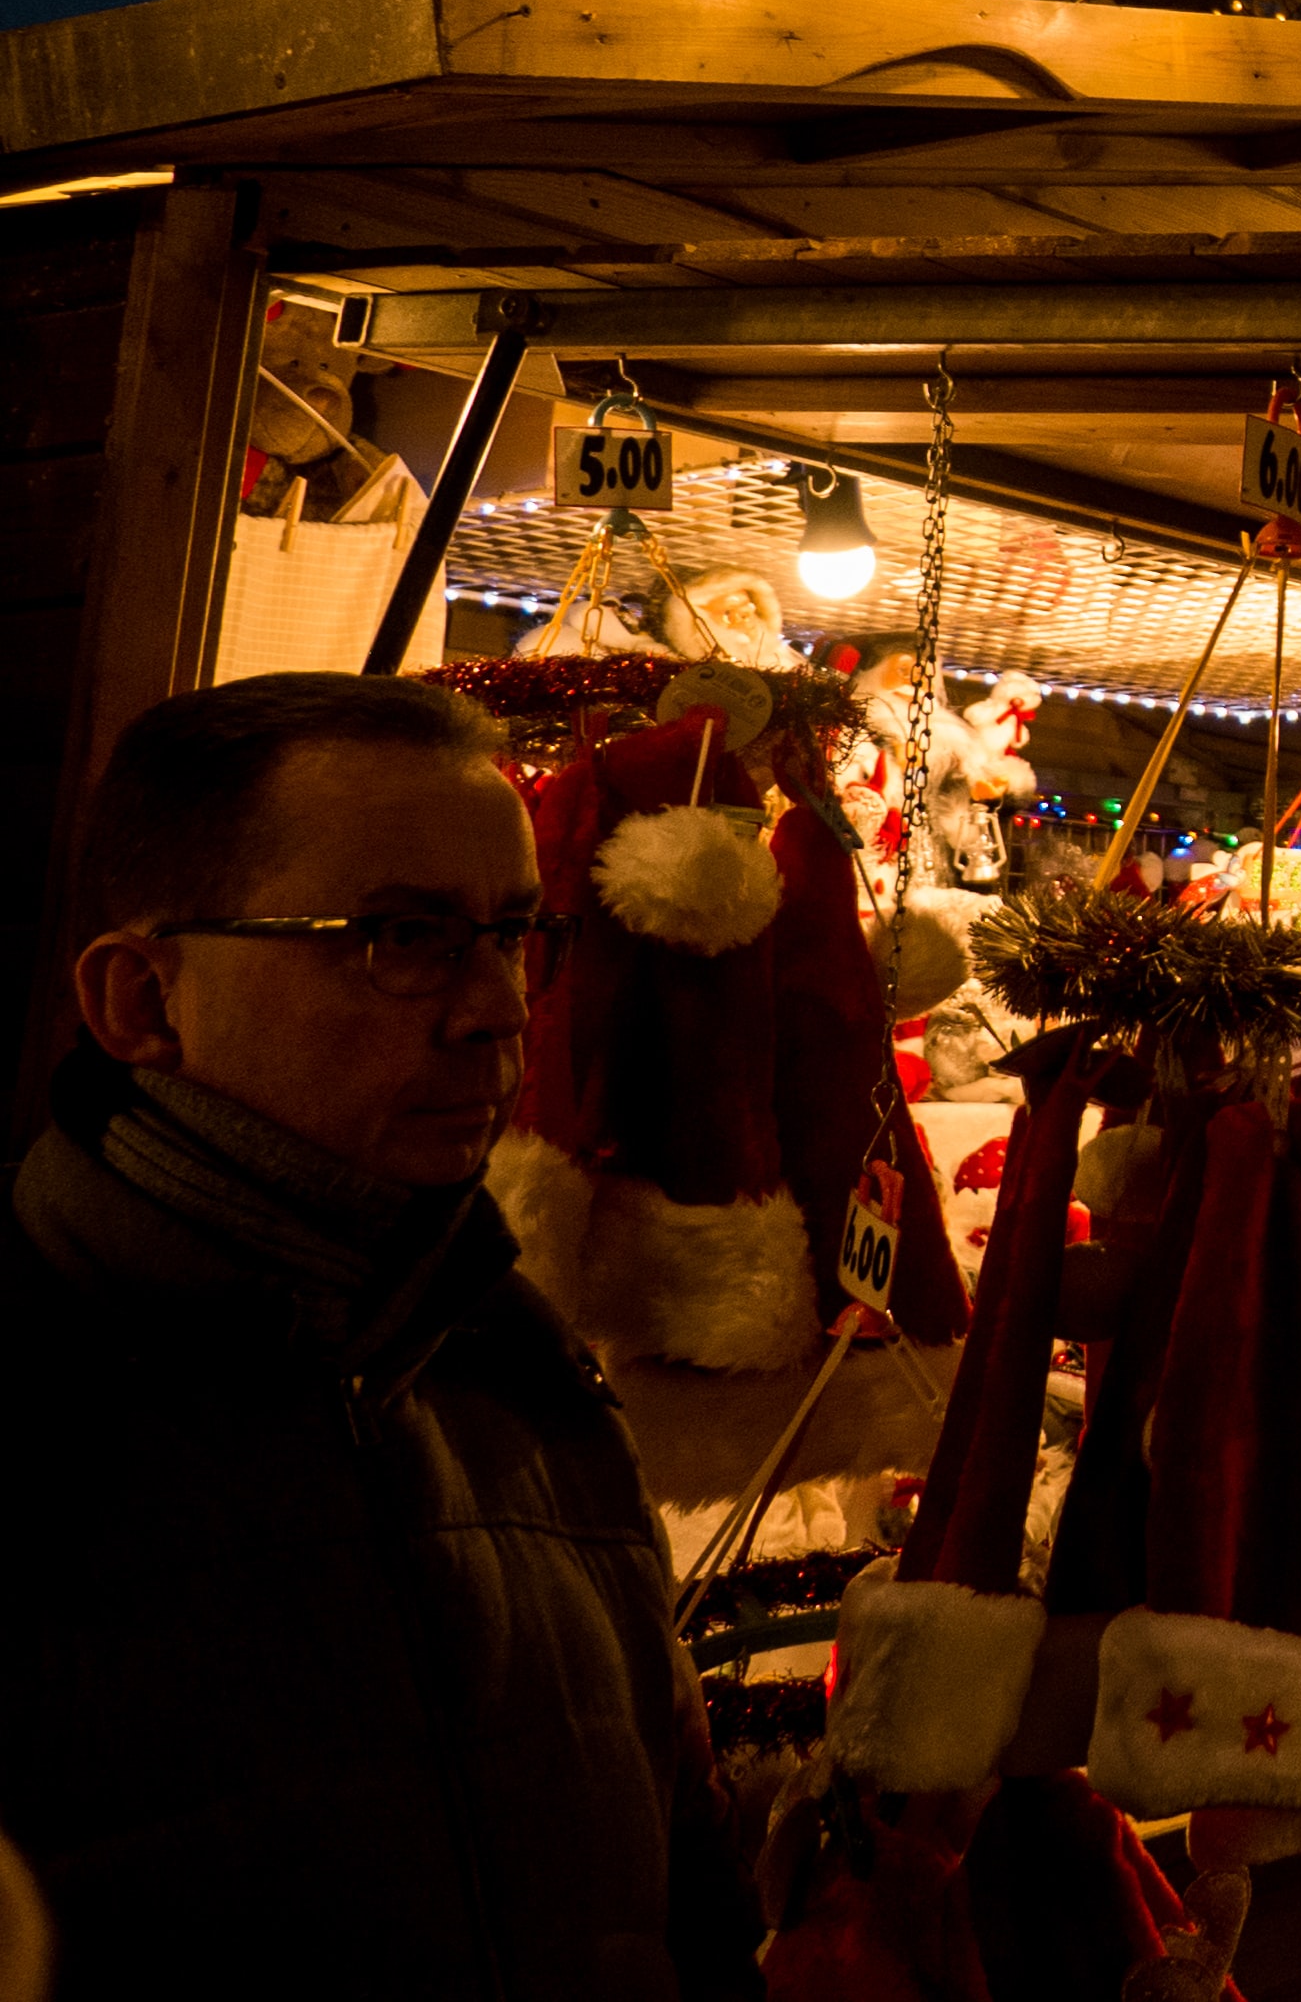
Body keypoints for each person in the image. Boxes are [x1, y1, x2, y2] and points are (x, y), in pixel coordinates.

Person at [0, 675, 759, 2000]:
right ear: (140, 1002)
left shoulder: (525, 1385)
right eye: (402, 937)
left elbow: (682, 1895)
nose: (497, 1010)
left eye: (516, 934)